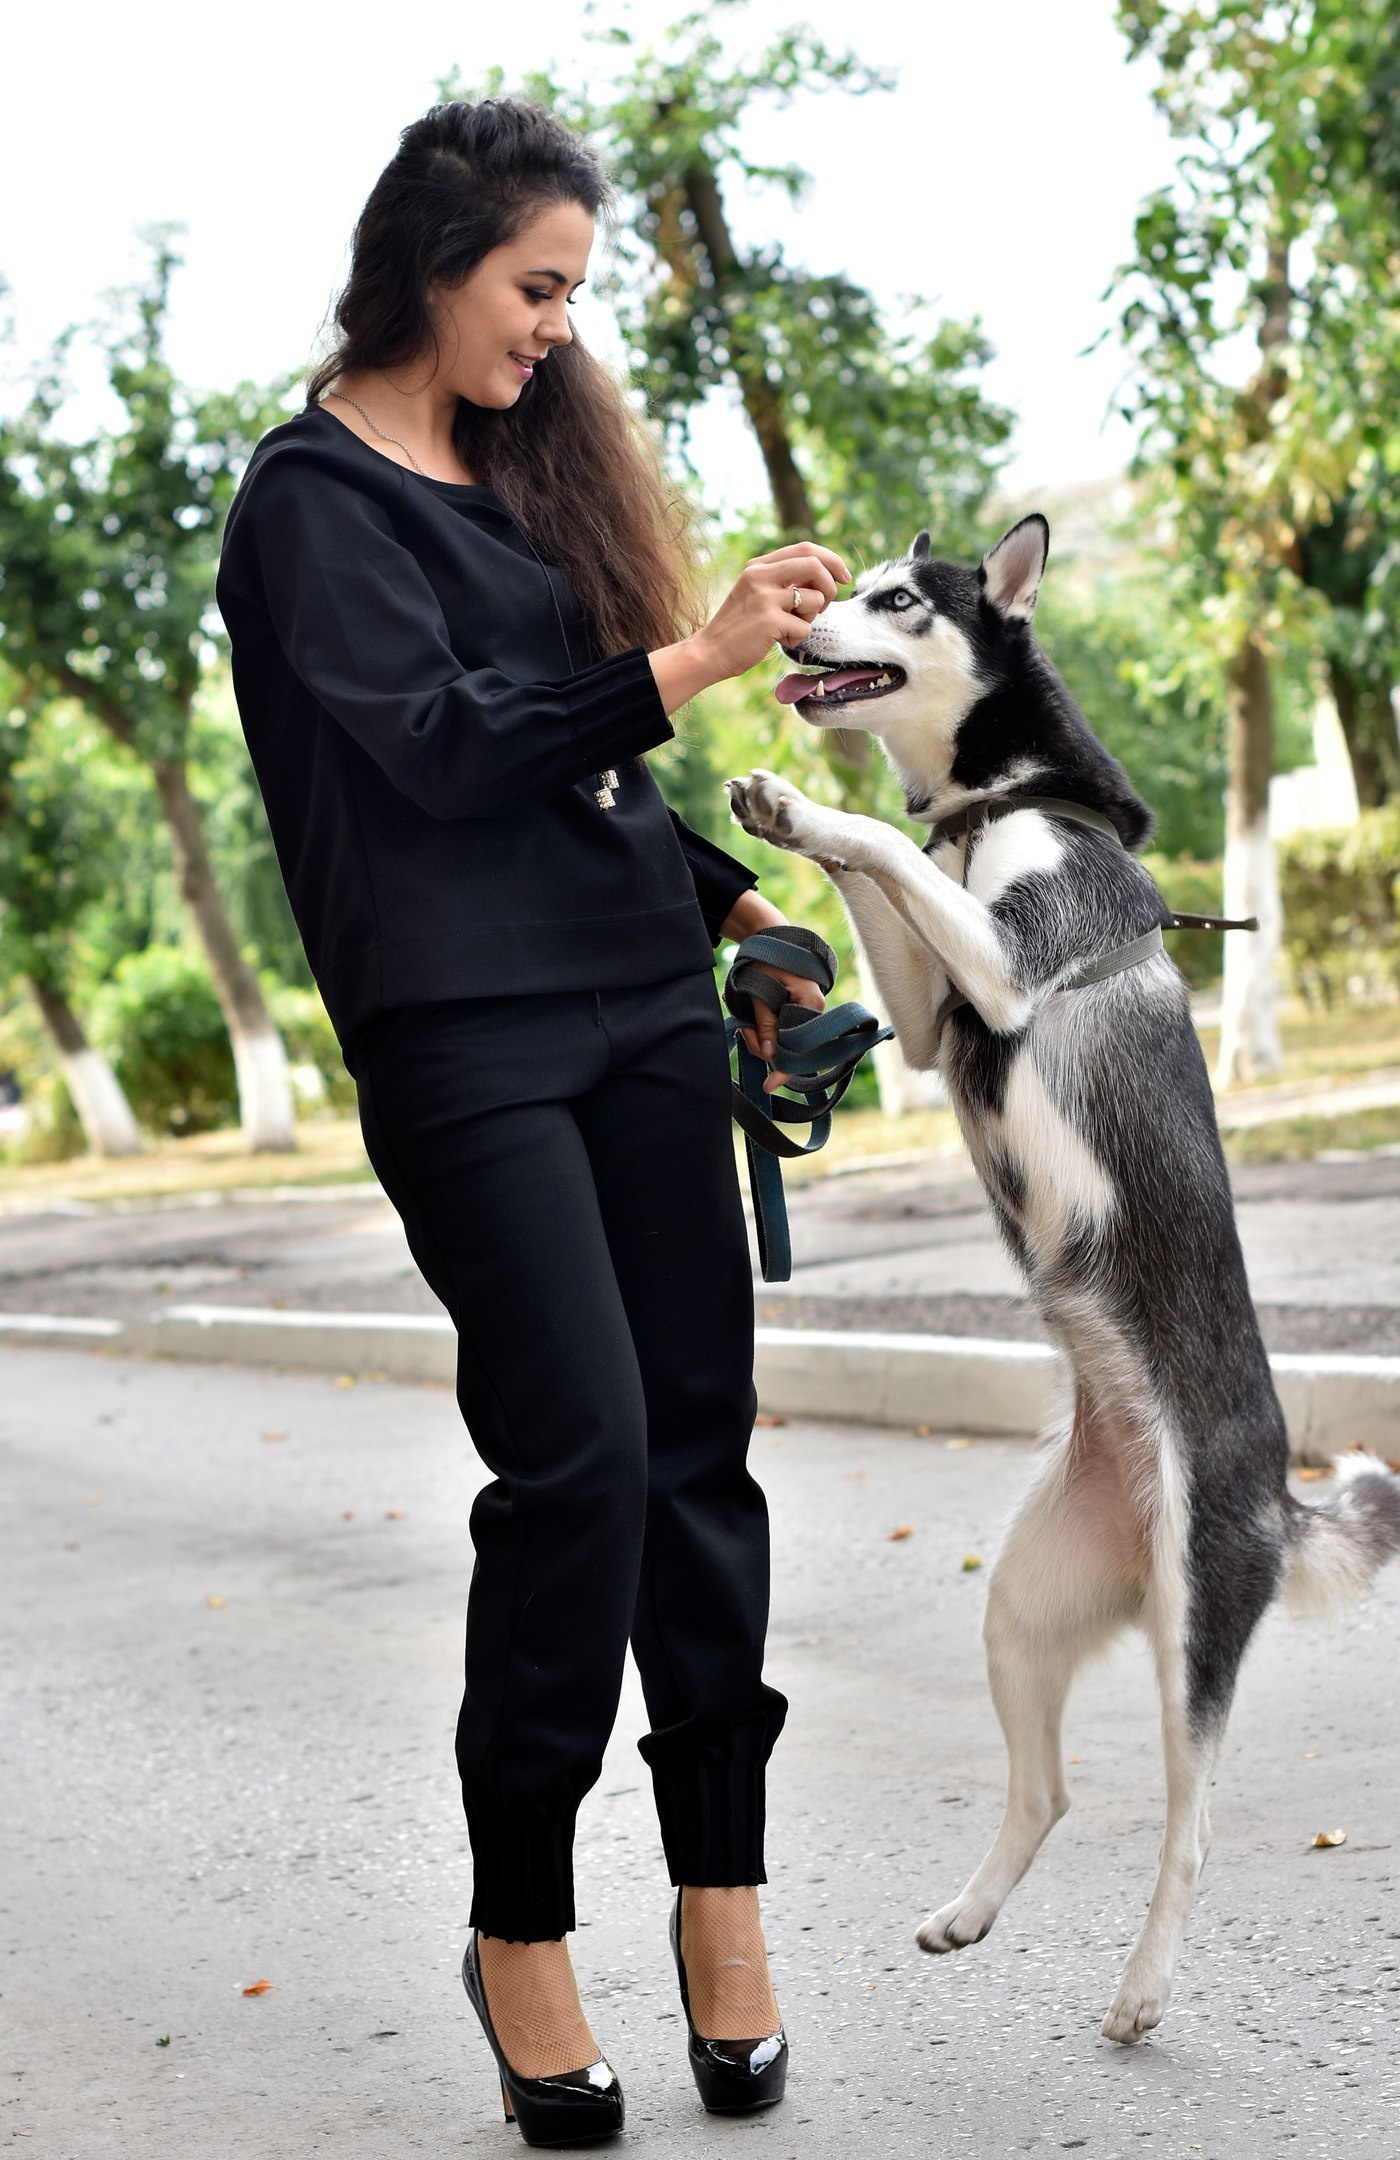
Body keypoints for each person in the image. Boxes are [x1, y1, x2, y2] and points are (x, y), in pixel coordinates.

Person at [216, 96, 849, 2146]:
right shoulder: (308, 505)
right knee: (575, 1457)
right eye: (535, 289)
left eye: (573, 297)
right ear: (431, 261)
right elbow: (444, 754)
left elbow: (582, 786)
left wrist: (732, 904)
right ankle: (519, 1927)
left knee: (693, 1459)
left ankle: (721, 1890)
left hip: (640, 1010)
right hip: (463, 1040)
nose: (555, 333)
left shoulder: (519, 471)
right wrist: (693, 655)